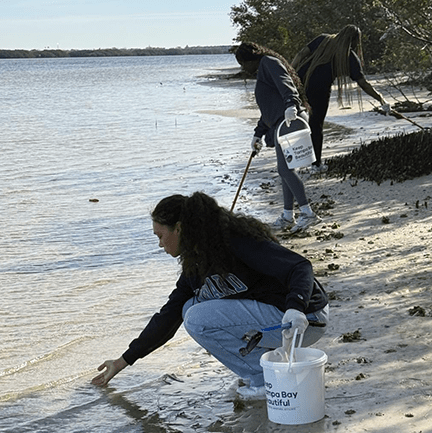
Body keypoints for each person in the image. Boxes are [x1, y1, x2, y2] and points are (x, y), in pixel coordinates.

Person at [91, 192, 329, 400]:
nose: (160, 244)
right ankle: (264, 368)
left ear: (179, 228)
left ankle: (262, 379)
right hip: (277, 320)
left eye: (160, 235)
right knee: (188, 308)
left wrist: (296, 307)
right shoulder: (198, 264)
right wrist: (123, 361)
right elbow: (168, 316)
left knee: (196, 318)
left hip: (304, 318)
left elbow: (300, 267)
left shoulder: (234, 241)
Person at [235, 42, 322, 233]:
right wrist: (258, 134)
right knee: (286, 171)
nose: (243, 68)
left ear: (251, 58)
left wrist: (291, 103)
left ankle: (308, 214)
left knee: (285, 170)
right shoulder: (263, 69)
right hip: (281, 123)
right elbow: (269, 109)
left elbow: (286, 84)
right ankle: (287, 216)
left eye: (243, 63)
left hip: (290, 121)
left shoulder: (268, 62)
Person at [292, 24, 391, 171]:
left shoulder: (323, 39)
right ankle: (316, 164)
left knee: (295, 122)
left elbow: (301, 54)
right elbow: (363, 83)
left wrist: (290, 73)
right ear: (355, 41)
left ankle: (293, 161)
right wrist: (381, 99)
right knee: (316, 125)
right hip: (319, 90)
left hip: (299, 83)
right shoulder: (349, 57)